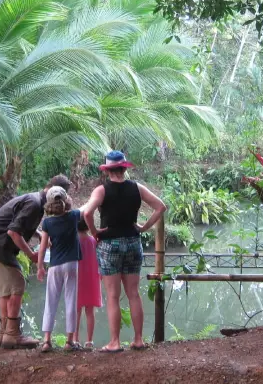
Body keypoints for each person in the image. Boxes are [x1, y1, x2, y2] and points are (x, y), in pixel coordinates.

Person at [83, 151, 167, 353]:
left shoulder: (101, 191)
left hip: (109, 244)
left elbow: (87, 212)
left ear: (108, 170)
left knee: (112, 296)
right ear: (124, 168)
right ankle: (138, 340)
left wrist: (95, 232)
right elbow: (160, 207)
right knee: (133, 294)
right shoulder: (137, 188)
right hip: (132, 242)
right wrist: (144, 228)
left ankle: (114, 342)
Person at [0, 174, 72, 348]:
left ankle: (4, 334)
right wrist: (32, 256)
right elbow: (14, 232)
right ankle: (13, 334)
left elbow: (22, 226)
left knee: (6, 291)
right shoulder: (34, 204)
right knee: (17, 284)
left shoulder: (35, 200)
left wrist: (41, 237)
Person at [36, 186, 83, 353]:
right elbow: (86, 207)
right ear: (66, 200)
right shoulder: (73, 216)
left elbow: (42, 248)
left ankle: (47, 340)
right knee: (71, 301)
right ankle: (70, 341)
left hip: (55, 265)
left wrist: (40, 266)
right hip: (71, 264)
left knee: (51, 301)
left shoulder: (47, 223)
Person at [72, 217, 102, 348]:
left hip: (77, 278)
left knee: (76, 310)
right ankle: (89, 341)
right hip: (92, 279)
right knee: (90, 311)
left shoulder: (73, 241)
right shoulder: (93, 241)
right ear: (88, 226)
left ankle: (75, 339)